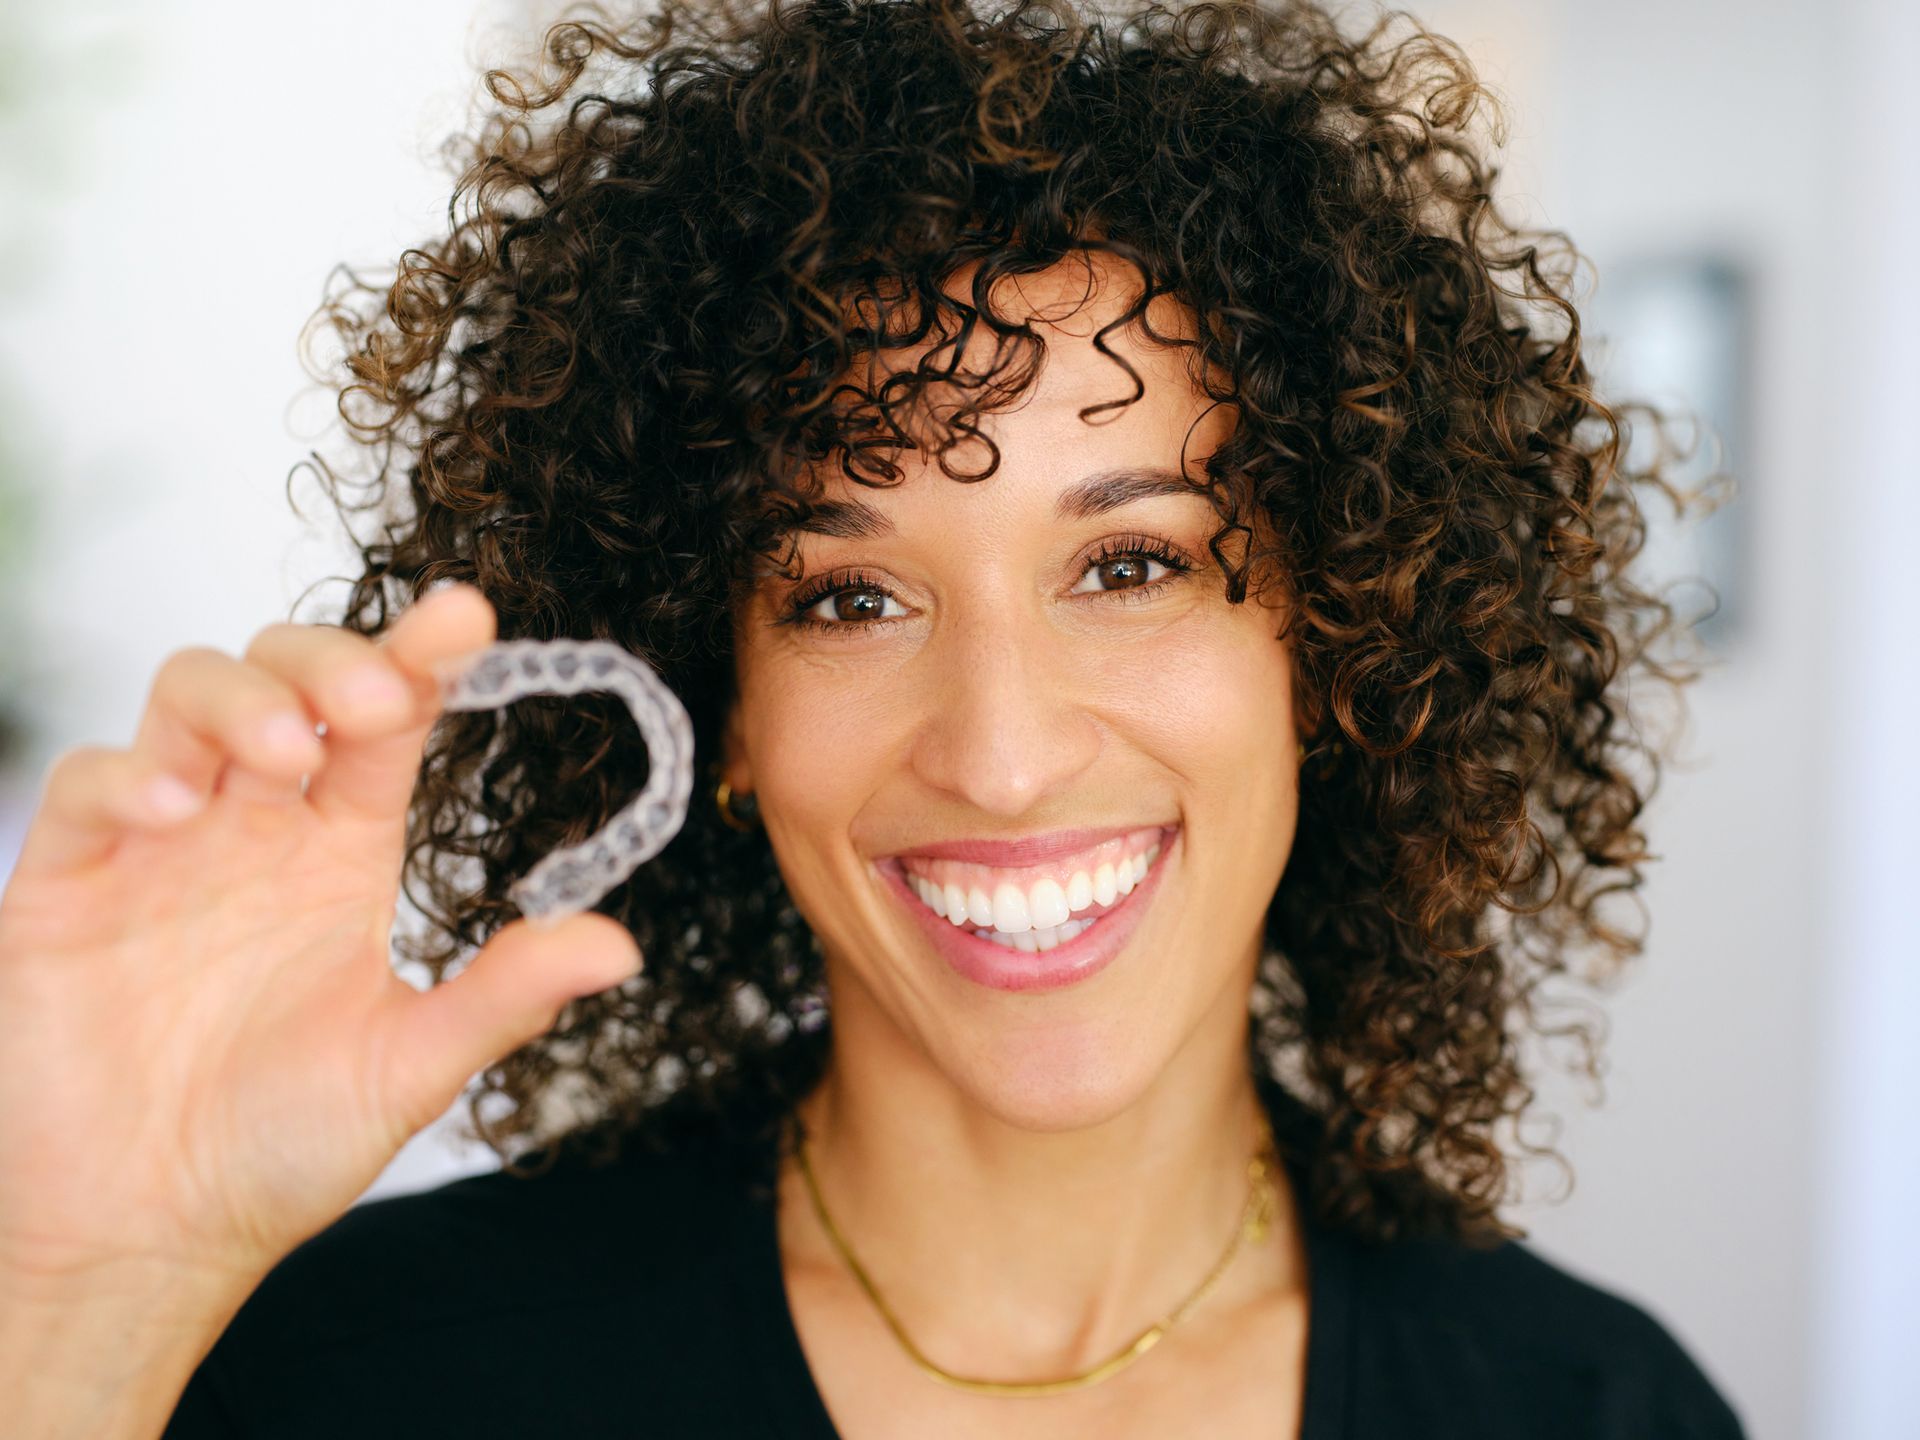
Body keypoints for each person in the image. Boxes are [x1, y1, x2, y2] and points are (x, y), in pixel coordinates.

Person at [0, 0, 1750, 1435]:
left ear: (1340, 635)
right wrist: (83, 1304)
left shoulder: (1590, 1410)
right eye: (848, 599)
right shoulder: (366, 1386)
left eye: (1130, 566)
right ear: (723, 713)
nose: (997, 753)